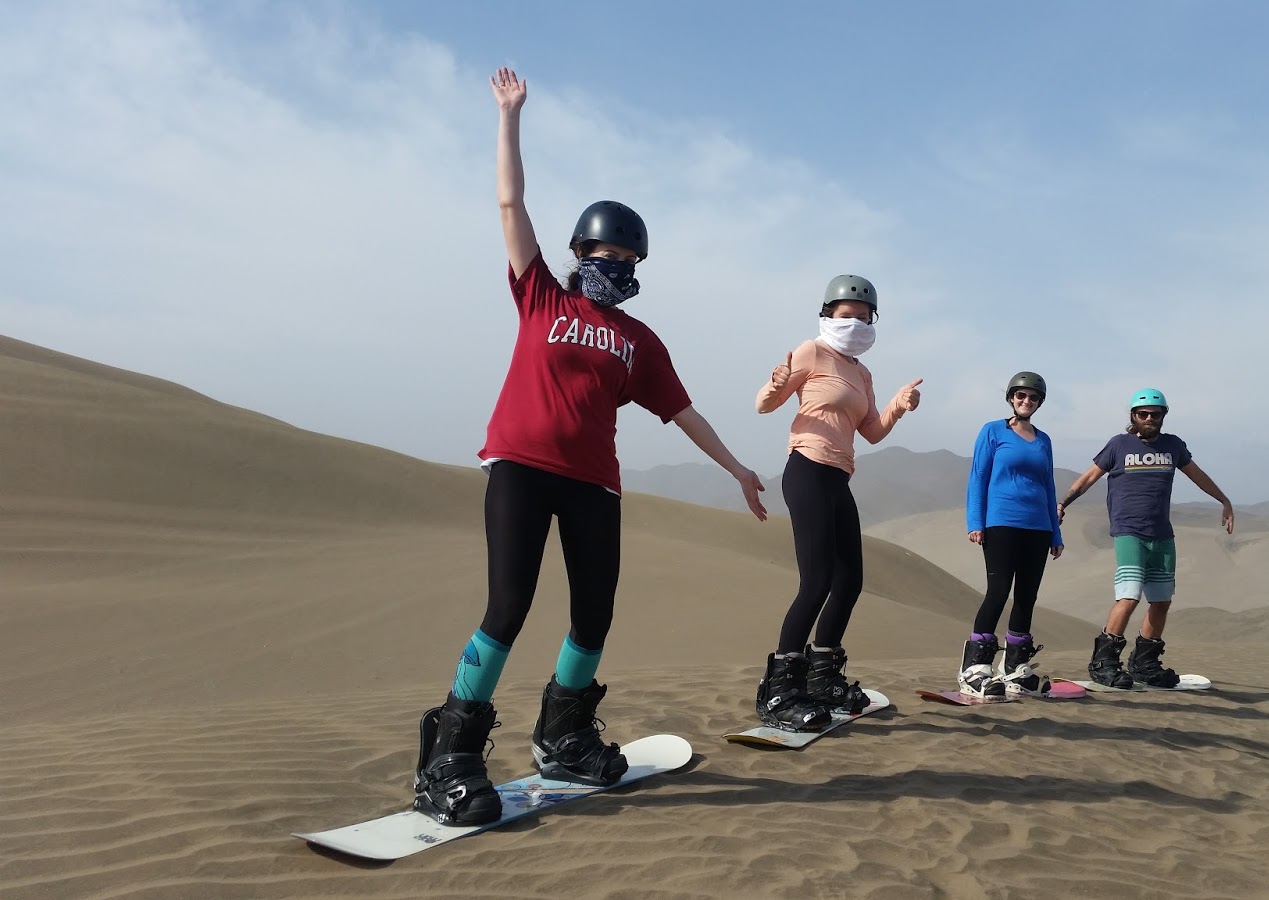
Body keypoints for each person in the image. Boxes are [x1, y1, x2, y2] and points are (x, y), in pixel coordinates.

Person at [411, 67, 770, 827]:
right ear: (583, 250)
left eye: (633, 264)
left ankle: (564, 734)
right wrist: (510, 117)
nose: (621, 270)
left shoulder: (640, 342)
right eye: (611, 257)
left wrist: (737, 467)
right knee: (507, 606)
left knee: (594, 615)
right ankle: (449, 751)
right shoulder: (541, 291)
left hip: (593, 484)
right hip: (518, 464)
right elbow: (510, 202)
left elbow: (683, 412)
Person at [751, 274, 924, 730]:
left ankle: (822, 676)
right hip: (807, 468)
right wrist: (778, 383)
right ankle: (780, 690)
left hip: (839, 476)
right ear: (828, 315)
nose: (857, 324)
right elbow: (764, 406)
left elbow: (871, 431)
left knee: (850, 580)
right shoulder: (811, 351)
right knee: (817, 581)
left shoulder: (862, 373)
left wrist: (899, 406)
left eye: (865, 318)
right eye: (848, 315)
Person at [1058, 388, 1233, 688]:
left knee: (1162, 600)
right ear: (1133, 416)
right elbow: (1089, 477)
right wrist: (1063, 503)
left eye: (1155, 414)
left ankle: (1145, 663)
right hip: (1129, 531)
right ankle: (1104, 661)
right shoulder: (1118, 445)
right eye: (1143, 414)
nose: (1149, 418)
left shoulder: (1173, 446)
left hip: (1162, 534)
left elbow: (1198, 475)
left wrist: (1224, 501)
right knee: (1129, 595)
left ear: (1164, 415)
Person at [959, 372, 1065, 699]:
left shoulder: (1043, 440)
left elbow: (1048, 487)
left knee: (1027, 595)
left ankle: (1015, 670)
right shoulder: (993, 431)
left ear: (1039, 403)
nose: (1026, 402)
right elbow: (978, 477)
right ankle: (974, 669)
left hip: (1038, 527)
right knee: (999, 590)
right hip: (1001, 522)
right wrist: (975, 521)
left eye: (1033, 398)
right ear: (1011, 398)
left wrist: (1055, 533)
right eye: (1021, 396)